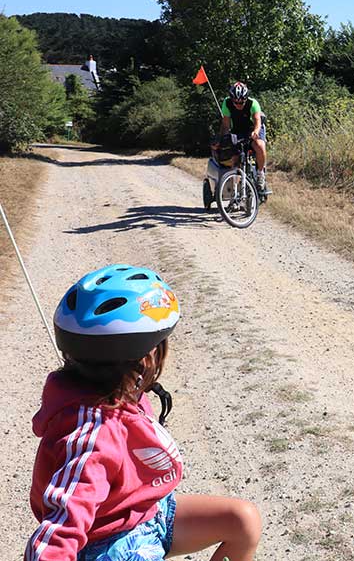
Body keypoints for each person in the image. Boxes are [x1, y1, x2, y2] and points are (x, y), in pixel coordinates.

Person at [24, 265, 261, 561]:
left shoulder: (125, 394)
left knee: (243, 521)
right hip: (110, 544)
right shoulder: (92, 435)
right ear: (149, 357)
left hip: (148, 512)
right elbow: (58, 530)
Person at [217, 82, 270, 195]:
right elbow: (226, 125)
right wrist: (224, 140)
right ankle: (235, 192)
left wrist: (255, 132)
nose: (239, 105)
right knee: (235, 158)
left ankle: (260, 174)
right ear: (232, 99)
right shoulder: (227, 103)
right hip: (238, 130)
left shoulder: (253, 103)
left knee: (259, 145)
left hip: (253, 128)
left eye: (242, 102)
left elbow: (257, 121)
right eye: (236, 102)